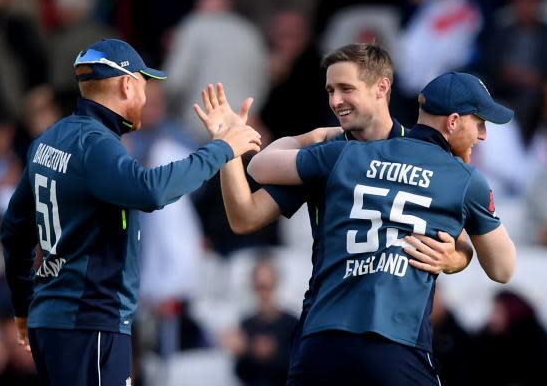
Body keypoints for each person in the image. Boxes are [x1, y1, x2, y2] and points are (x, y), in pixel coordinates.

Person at [195, 43, 474, 378]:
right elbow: (245, 217)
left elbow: (463, 246)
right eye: (330, 90)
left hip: (397, 343)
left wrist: (454, 259)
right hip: (325, 335)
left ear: (382, 87)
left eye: (346, 89)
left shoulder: (422, 151)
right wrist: (229, 149)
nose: (335, 100)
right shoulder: (325, 154)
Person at [0, 38, 262, 386]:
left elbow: (15, 231)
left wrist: (22, 305)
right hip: (90, 319)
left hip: (52, 318)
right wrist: (222, 149)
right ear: (127, 84)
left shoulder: (50, 139)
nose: (145, 96)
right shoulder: (96, 144)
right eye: (144, 85)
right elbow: (149, 190)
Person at [246, 71, 517, 385]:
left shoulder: (348, 153)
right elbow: (503, 269)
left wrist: (313, 136)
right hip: (395, 347)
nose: (483, 135)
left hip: (319, 347)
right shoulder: (465, 180)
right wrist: (459, 254)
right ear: (453, 122)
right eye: (480, 122)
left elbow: (259, 166)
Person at [222, 256, 298, 386]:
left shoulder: (292, 323)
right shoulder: (246, 324)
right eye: (259, 286)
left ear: (276, 284)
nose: (264, 293)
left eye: (268, 286)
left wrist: (270, 353)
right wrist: (243, 352)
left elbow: (298, 368)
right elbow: (241, 374)